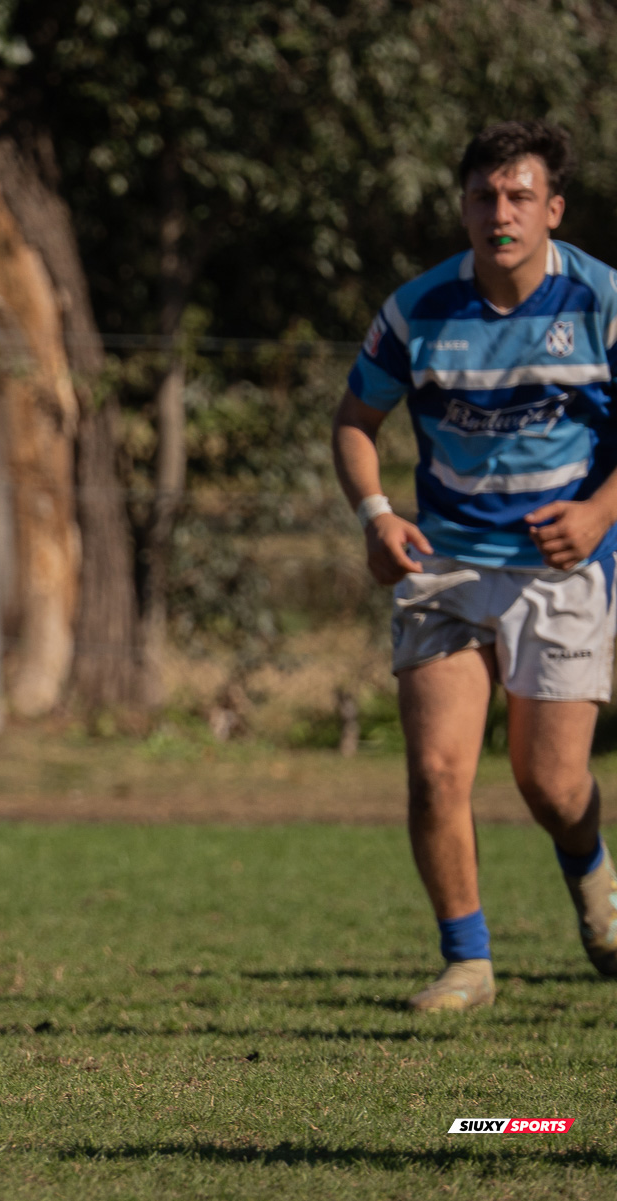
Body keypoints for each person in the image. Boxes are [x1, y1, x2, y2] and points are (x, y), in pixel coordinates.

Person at [334, 120, 617, 1012]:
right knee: (436, 770)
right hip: (446, 564)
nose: (502, 212)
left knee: (550, 779)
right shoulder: (419, 308)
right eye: (485, 196)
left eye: (520, 196)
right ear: (463, 207)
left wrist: (598, 512)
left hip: (563, 570)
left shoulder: (599, 299)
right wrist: (378, 518)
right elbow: (354, 421)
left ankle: (595, 875)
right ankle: (468, 962)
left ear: (552, 208)